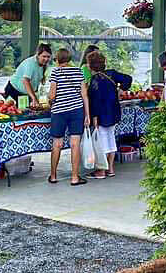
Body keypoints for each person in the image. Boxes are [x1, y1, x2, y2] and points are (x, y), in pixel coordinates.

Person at [47, 48, 90, 186]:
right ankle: (74, 177)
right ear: (69, 59)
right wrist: (87, 114)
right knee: (75, 144)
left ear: (57, 59)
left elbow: (52, 95)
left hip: (59, 111)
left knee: (57, 144)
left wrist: (49, 100)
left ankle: (53, 176)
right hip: (77, 110)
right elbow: (84, 95)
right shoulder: (78, 72)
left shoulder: (55, 72)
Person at [86, 51, 132, 178]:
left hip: (101, 115)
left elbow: (94, 102)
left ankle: (101, 171)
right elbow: (128, 78)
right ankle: (111, 169)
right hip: (114, 112)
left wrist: (94, 118)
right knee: (111, 140)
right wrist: (121, 90)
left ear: (90, 66)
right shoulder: (111, 74)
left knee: (101, 143)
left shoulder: (94, 81)